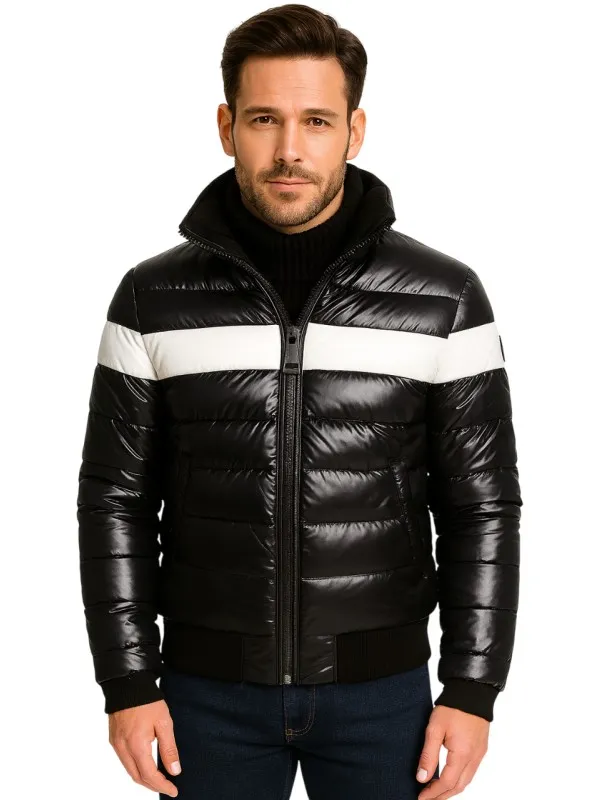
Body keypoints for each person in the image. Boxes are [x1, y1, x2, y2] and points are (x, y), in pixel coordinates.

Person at [76, 4, 522, 799]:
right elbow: (114, 500)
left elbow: (481, 505)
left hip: (385, 700)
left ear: (354, 131)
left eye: (316, 121)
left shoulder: (444, 299)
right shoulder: (151, 298)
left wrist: (472, 689)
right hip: (203, 700)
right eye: (263, 120)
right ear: (226, 128)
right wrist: (128, 682)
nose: (289, 149)